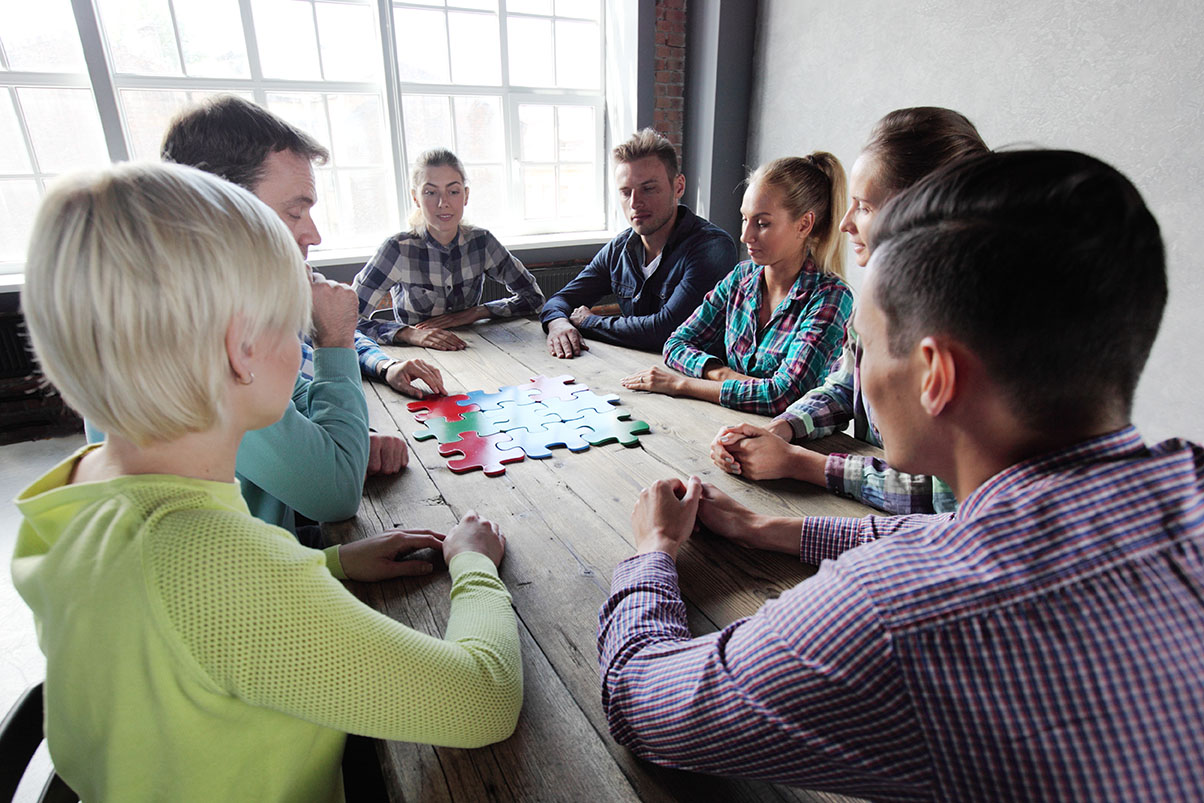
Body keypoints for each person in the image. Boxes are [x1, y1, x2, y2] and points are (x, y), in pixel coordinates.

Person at [598, 150, 1204, 799]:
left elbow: (641, 698)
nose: (855, 372)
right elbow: (961, 538)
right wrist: (767, 529)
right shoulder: (1185, 481)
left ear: (935, 376)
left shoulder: (895, 613)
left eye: (868, 344)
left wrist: (652, 551)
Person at [13, 162, 523, 801]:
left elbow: (178, 633)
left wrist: (328, 563)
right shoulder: (223, 572)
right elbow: (483, 700)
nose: (305, 346)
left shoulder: (73, 495)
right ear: (242, 349)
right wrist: (473, 564)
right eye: (296, 326)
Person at [159, 95, 428, 534]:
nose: (313, 233)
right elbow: (335, 496)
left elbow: (290, 402)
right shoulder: (193, 339)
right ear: (218, 212)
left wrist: (333, 553)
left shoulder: (223, 300)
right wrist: (336, 342)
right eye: (294, 211)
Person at [709, 108, 988, 512]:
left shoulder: (975, 330)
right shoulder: (878, 302)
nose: (843, 223)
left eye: (864, 206)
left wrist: (805, 465)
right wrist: (779, 430)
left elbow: (946, 496)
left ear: (923, 215)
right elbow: (843, 387)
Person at [621, 154, 853, 415]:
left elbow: (783, 397)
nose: (745, 236)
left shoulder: (831, 298)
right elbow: (675, 344)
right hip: (724, 420)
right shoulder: (741, 278)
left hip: (792, 446)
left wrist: (683, 384)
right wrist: (721, 373)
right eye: (745, 219)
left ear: (804, 224)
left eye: (762, 223)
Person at [541, 128, 738, 358]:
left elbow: (666, 331)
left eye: (648, 189)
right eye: (626, 192)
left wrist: (588, 322)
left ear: (679, 187)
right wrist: (558, 323)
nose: (635, 203)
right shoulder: (619, 249)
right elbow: (560, 300)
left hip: (698, 382)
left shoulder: (711, 248)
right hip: (635, 370)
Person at [353, 148, 546, 352]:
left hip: (474, 351)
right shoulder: (397, 250)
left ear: (466, 195)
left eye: (453, 191)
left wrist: (477, 312)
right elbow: (347, 321)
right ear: (415, 197)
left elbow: (534, 299)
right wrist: (410, 333)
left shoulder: (482, 242)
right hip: (418, 358)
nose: (443, 203)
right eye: (430, 192)